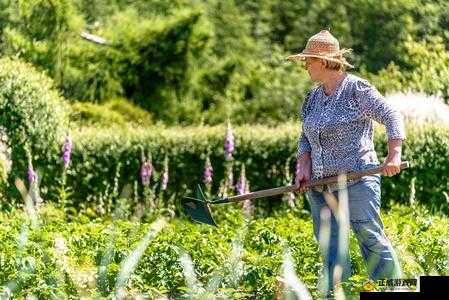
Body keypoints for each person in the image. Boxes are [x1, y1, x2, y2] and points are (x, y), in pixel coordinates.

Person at [286, 30, 405, 296]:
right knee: (331, 247)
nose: (305, 65)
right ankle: (339, 295)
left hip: (357, 180)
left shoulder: (356, 89)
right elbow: (305, 136)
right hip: (320, 186)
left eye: (309, 60)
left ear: (326, 61)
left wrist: (393, 153)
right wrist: (302, 166)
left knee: (371, 240)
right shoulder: (313, 97)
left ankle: (396, 291)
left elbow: (391, 115)